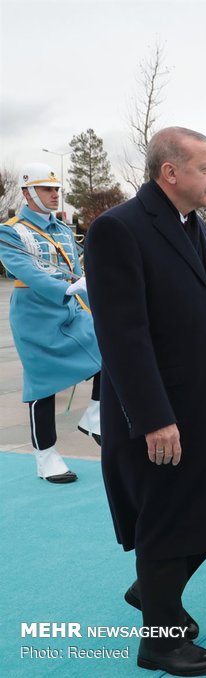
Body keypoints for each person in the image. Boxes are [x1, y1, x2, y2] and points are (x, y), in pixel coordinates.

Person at [86, 127, 206, 676]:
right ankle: (159, 639)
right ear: (170, 172)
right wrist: (154, 418)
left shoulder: (193, 224)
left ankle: (154, 592)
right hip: (160, 410)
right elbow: (122, 335)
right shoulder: (119, 229)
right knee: (166, 518)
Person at [0, 163, 102, 483]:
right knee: (41, 385)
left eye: (57, 189)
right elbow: (23, 269)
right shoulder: (11, 230)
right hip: (35, 314)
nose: (55, 194)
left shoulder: (61, 229)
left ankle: (96, 415)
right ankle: (46, 456)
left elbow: (81, 260)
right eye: (47, 189)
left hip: (70, 309)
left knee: (113, 344)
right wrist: (66, 287)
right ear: (28, 193)